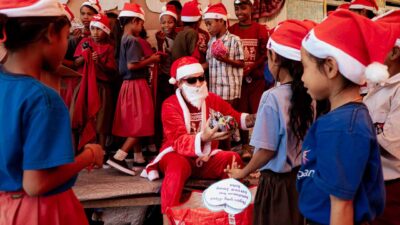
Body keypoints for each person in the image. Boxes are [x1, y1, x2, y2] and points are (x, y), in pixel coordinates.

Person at [0, 1, 104, 225]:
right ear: (50, 34)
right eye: (66, 36)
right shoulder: (43, 99)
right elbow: (35, 184)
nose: (67, 45)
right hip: (39, 212)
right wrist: (89, 155)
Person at [297, 10, 400, 225]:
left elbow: (341, 206)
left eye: (304, 67)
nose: (302, 77)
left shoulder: (343, 127)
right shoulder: (345, 119)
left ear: (331, 67)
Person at [140, 56, 255, 221]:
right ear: (179, 83)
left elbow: (235, 117)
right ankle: (168, 218)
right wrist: (204, 137)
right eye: (192, 80)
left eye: (201, 78)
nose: (199, 84)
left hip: (205, 157)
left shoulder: (211, 99)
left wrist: (257, 118)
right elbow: (178, 141)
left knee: (232, 157)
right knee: (177, 166)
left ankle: (231, 214)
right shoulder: (170, 104)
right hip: (177, 155)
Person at [225, 19, 316, 225]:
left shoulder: (272, 97)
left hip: (277, 185)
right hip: (300, 180)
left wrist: (242, 172)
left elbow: (267, 150)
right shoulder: (310, 95)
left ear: (274, 58)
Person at [106, 3, 161, 175]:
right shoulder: (133, 41)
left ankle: (138, 157)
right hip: (136, 84)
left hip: (127, 86)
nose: (142, 27)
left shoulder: (123, 38)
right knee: (142, 122)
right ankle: (119, 156)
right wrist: (152, 59)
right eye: (141, 23)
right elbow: (132, 65)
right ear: (136, 21)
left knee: (134, 122)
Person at [365, 9, 400, 225]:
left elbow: (391, 143)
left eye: (376, 45)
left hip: (392, 186)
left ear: (395, 52)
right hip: (374, 182)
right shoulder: (378, 84)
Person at [229, 0, 270, 158]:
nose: (239, 12)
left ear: (251, 8)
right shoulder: (232, 30)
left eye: (243, 8)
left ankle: (259, 145)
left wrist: (250, 68)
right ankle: (245, 146)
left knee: (258, 111)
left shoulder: (260, 29)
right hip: (238, 81)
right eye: (236, 9)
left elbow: (265, 54)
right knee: (242, 112)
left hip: (256, 79)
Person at [72, 13, 117, 151]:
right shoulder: (85, 42)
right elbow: (76, 62)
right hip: (84, 85)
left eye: (99, 29)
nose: (95, 33)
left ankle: (101, 151)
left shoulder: (109, 47)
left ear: (106, 31)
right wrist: (85, 56)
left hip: (101, 86)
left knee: (101, 120)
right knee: (79, 116)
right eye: (93, 29)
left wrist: (98, 63)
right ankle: (78, 151)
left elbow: (112, 70)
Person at [203, 3, 245, 105]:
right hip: (214, 90)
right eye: (206, 25)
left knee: (229, 119)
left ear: (221, 21)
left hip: (229, 91)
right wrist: (195, 67)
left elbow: (241, 63)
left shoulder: (234, 40)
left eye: (210, 24)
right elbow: (208, 63)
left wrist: (226, 60)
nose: (208, 28)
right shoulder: (211, 42)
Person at [154, 5, 179, 148]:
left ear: (175, 23)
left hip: (176, 78)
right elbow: (161, 58)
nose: (166, 25)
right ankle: (161, 141)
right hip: (164, 78)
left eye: (169, 22)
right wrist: (159, 43)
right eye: (163, 22)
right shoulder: (160, 37)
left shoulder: (179, 37)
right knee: (163, 109)